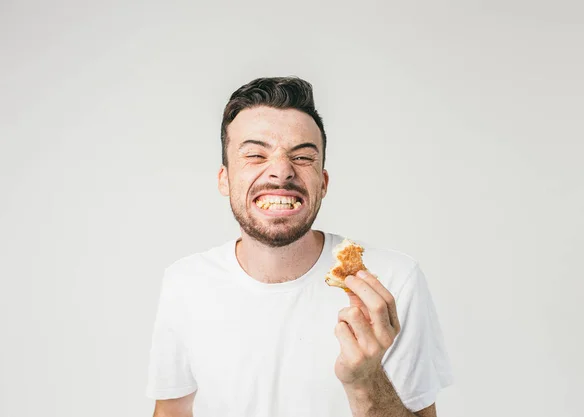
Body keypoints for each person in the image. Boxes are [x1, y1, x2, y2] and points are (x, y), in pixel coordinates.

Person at [146, 77, 453, 417]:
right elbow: (171, 411)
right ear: (224, 179)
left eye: (303, 157)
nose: (280, 171)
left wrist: (366, 382)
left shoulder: (391, 282)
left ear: (322, 183)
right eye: (254, 154)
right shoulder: (185, 282)